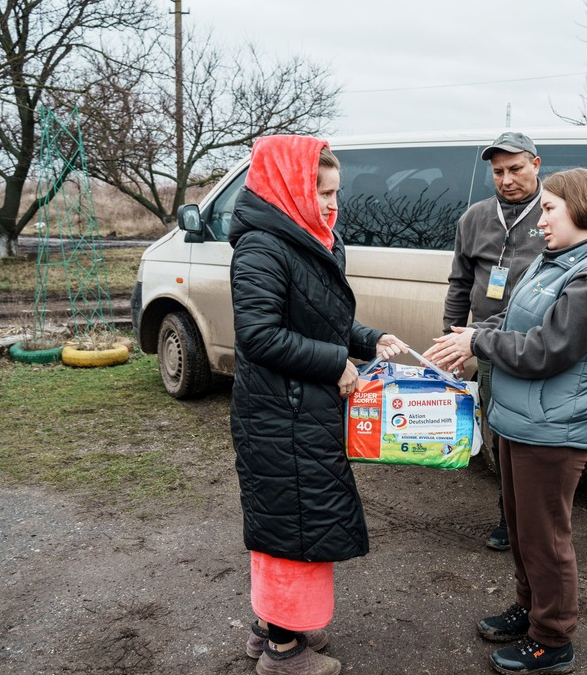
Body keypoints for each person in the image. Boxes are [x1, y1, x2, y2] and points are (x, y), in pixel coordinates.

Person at [424, 168, 587, 675]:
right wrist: (468, 335)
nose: (539, 219)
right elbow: (517, 318)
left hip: (553, 431)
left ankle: (553, 639)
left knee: (546, 539)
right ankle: (529, 609)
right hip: (520, 421)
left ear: (581, 210)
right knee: (521, 530)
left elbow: (545, 351)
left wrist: (478, 344)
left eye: (549, 208)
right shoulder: (555, 261)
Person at [228, 134, 408, 675]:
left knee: (292, 520)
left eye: (336, 192)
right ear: (288, 188)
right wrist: (335, 363)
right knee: (294, 525)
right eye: (321, 191)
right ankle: (285, 652)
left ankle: (270, 630)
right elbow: (259, 335)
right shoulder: (262, 247)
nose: (332, 204)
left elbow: (319, 318)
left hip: (299, 410)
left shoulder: (310, 238)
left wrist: (368, 339)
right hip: (278, 415)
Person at [442, 131, 548, 551]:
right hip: (486, 343)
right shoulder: (474, 218)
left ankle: (539, 520)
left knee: (536, 436)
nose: (507, 179)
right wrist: (452, 341)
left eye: (516, 169)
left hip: (538, 343)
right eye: (498, 171)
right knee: (498, 434)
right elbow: (459, 283)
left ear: (536, 165)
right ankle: (509, 517)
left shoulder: (555, 211)